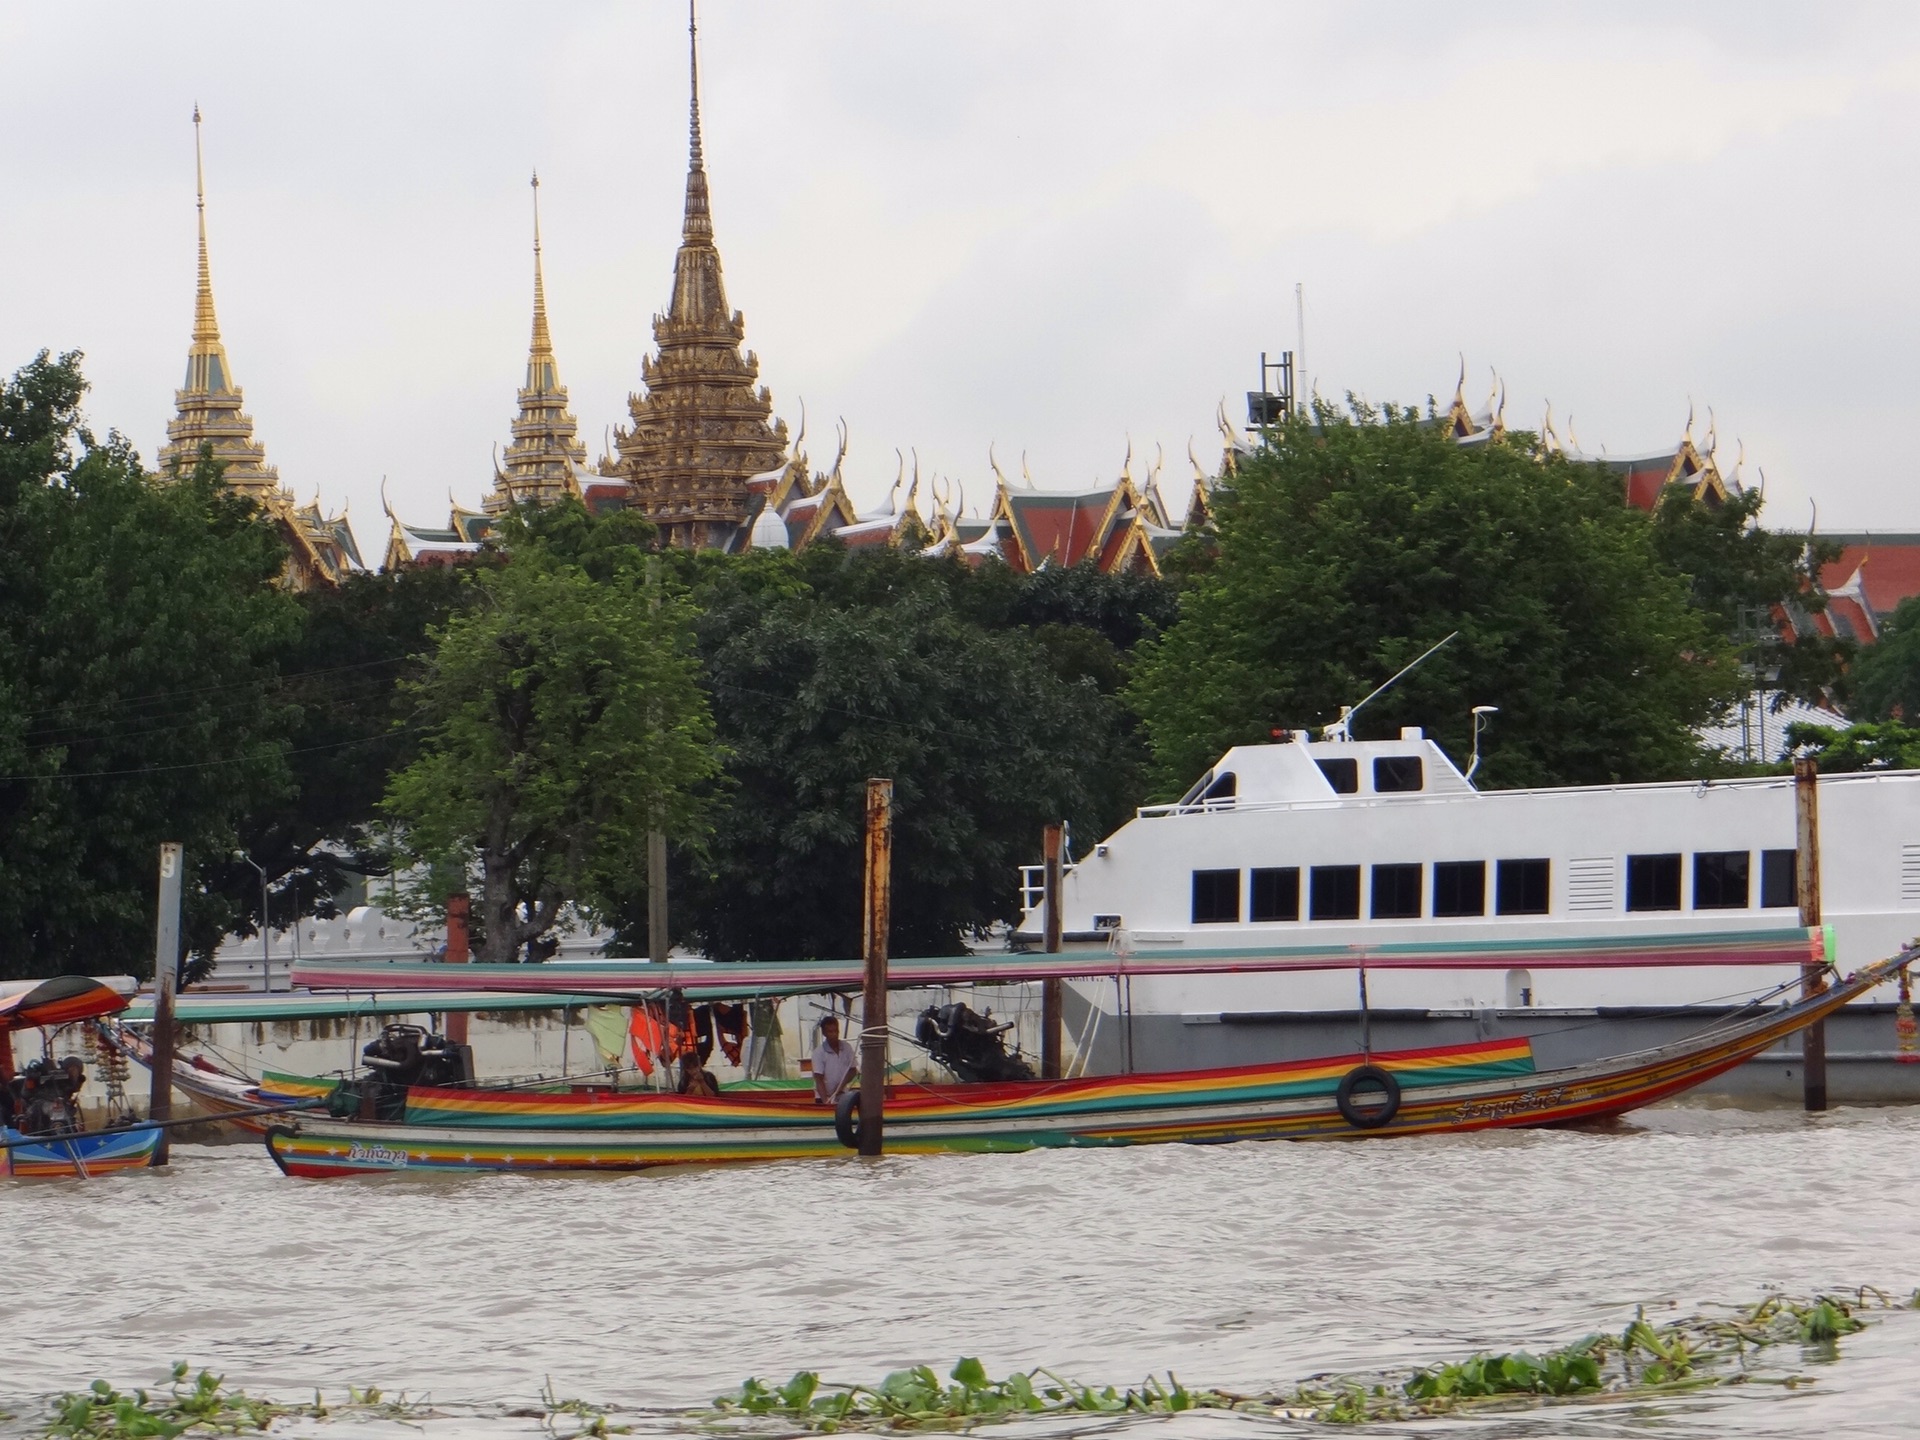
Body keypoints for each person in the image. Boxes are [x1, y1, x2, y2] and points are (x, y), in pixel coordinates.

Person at [811, 1014, 858, 1105]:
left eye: (836, 1031)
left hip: (842, 1095)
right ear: (824, 1033)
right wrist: (825, 1102)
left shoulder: (847, 1047)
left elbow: (853, 1070)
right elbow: (818, 1079)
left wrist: (840, 1087)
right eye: (830, 1032)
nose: (834, 1034)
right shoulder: (818, 1053)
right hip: (823, 1097)